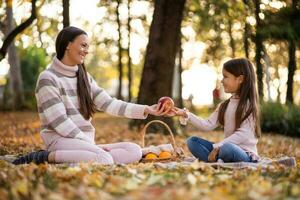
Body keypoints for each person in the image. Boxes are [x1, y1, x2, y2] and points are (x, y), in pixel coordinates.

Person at [13, 26, 165, 165]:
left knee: (134, 150)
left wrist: (147, 109)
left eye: (87, 47)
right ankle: (44, 156)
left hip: (84, 142)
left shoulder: (85, 78)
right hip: (60, 140)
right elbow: (59, 121)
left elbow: (109, 103)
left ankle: (90, 155)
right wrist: (89, 145)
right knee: (104, 158)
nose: (86, 51)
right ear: (67, 45)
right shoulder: (48, 78)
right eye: (83, 45)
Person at [172, 58, 261, 163]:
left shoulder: (249, 105)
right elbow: (207, 124)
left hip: (244, 154)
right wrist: (186, 114)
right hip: (222, 148)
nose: (222, 81)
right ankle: (217, 159)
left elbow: (243, 134)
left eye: (226, 77)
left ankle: (215, 159)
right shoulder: (224, 105)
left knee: (227, 148)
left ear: (240, 79)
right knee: (192, 141)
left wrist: (218, 146)